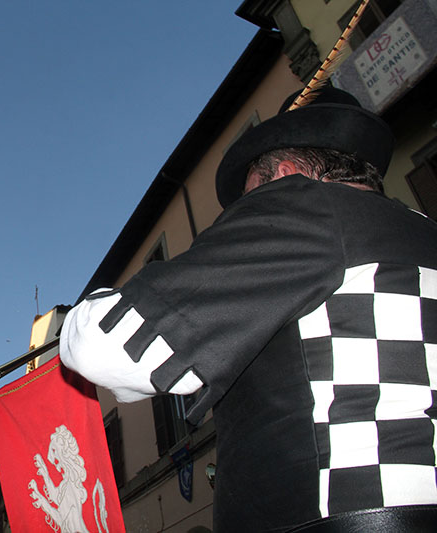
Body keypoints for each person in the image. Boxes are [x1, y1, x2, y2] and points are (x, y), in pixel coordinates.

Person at [59, 87, 437, 532]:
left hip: (339, 513)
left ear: (285, 174)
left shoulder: (301, 206)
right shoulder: (423, 229)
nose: (243, 213)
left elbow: (106, 347)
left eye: (249, 194)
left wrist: (70, 323)